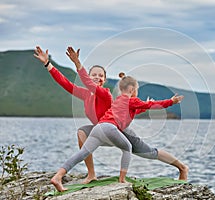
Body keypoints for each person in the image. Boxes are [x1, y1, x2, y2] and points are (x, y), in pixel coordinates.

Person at [34, 46, 188, 184]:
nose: (97, 77)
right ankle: (91, 175)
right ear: (89, 76)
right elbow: (65, 83)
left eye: (100, 75)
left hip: (119, 131)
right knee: (81, 132)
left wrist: (78, 64)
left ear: (104, 80)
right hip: (102, 129)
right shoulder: (85, 94)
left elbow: (125, 109)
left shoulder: (105, 94)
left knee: (149, 153)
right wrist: (48, 64)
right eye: (93, 74)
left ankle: (181, 167)